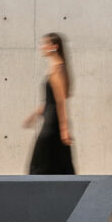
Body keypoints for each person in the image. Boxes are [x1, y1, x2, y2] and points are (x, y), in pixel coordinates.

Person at [24, 32, 75, 174]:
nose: (42, 47)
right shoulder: (54, 69)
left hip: (53, 125)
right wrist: (33, 116)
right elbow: (49, 101)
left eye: (45, 44)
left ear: (54, 47)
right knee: (52, 162)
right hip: (49, 121)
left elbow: (60, 101)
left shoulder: (59, 69)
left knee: (42, 163)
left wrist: (64, 130)